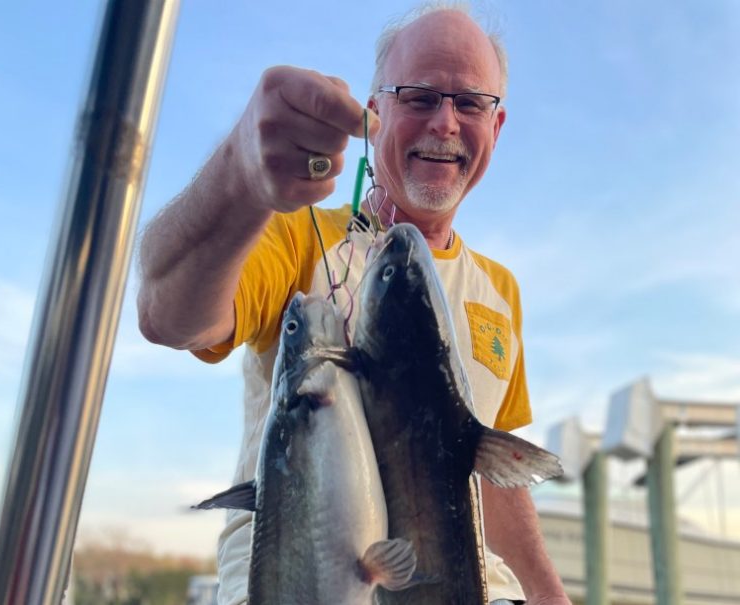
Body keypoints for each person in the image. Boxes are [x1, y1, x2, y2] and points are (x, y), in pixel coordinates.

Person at [137, 3, 571, 604]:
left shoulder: (501, 289)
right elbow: (166, 311)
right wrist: (241, 170)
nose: (445, 122)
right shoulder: (295, 236)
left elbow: (495, 478)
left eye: (470, 102)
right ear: (374, 113)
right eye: (418, 96)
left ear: (495, 128)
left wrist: (550, 593)